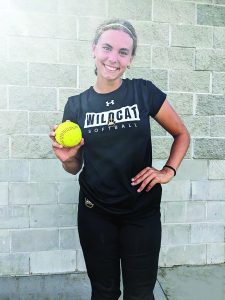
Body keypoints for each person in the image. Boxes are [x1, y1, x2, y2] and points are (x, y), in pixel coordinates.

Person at [50, 18, 190, 300]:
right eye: (107, 48)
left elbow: (181, 133)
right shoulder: (76, 105)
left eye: (123, 52)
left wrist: (168, 170)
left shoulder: (143, 91)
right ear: (94, 50)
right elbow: (74, 167)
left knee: (140, 294)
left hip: (141, 213)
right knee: (104, 293)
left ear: (131, 59)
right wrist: (68, 160)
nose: (113, 58)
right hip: (95, 212)